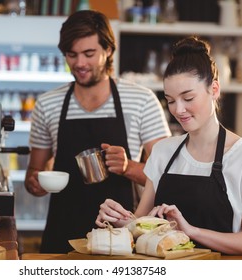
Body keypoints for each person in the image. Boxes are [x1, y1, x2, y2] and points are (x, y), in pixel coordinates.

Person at [96, 36, 242, 256]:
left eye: (188, 98)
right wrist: (118, 220)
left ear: (214, 89)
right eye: (170, 101)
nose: (178, 109)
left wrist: (191, 231)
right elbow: (139, 225)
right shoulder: (163, 152)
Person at [24, 10, 171, 253]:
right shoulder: (48, 104)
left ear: (109, 50)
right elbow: (34, 174)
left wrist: (128, 168)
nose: (79, 63)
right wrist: (35, 183)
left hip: (121, 236)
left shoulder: (141, 100)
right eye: (72, 55)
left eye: (89, 54)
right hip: (62, 235)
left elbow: (167, 176)